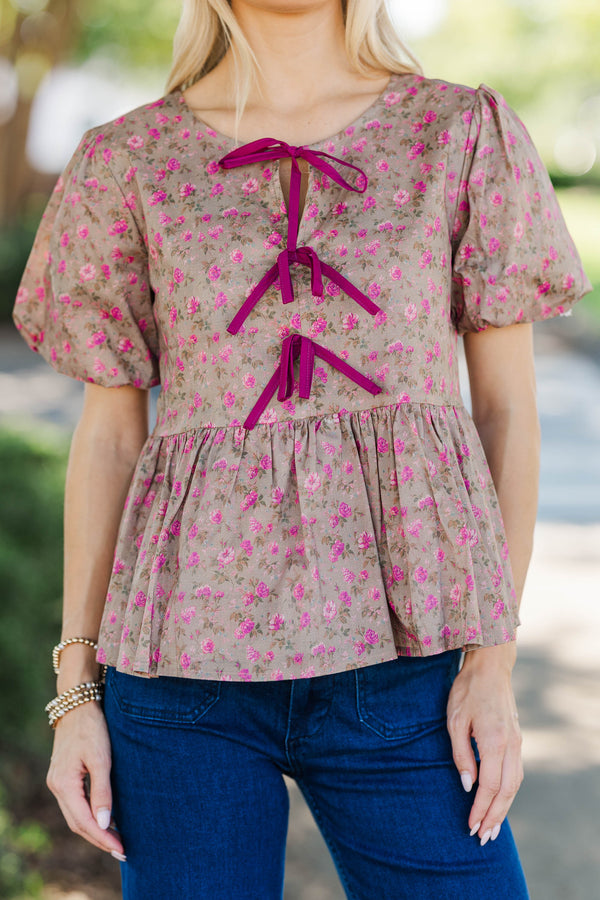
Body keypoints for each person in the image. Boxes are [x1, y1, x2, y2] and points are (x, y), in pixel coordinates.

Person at [12, 0, 592, 897]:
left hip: (411, 665)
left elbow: (506, 411)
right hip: (180, 674)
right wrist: (77, 693)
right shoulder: (128, 160)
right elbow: (111, 439)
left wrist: (492, 658)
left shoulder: (459, 130)